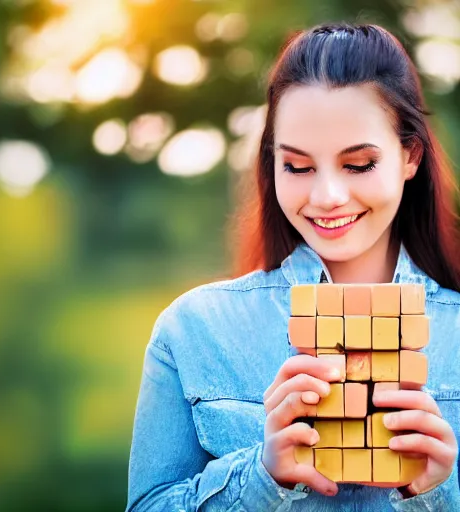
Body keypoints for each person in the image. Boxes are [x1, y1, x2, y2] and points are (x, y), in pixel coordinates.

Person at [126, 22, 460, 511]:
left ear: (410, 155)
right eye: (298, 167)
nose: (327, 196)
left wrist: (436, 493)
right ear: (272, 163)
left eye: (359, 163)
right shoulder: (194, 332)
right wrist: (261, 476)